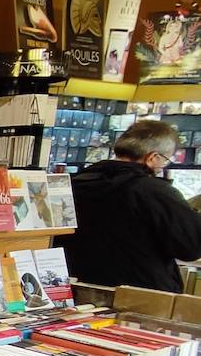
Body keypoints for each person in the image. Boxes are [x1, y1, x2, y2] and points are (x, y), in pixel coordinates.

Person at [56, 120, 201, 292]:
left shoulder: (73, 183)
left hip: (76, 289)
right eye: (166, 160)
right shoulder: (155, 192)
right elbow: (190, 248)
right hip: (141, 296)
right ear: (153, 158)